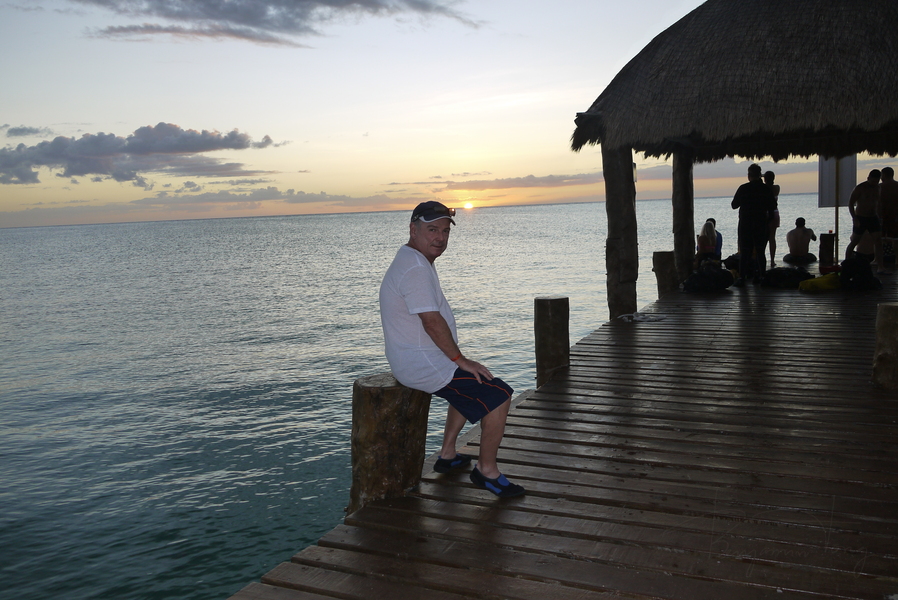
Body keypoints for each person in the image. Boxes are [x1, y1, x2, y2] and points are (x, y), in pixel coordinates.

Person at [379, 201, 525, 498]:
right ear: (413, 229)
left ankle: (447, 455)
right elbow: (431, 322)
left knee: (474, 382)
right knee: (499, 396)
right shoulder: (415, 268)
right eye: (432, 230)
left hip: (421, 356)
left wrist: (459, 361)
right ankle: (486, 471)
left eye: (445, 231)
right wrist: (459, 359)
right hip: (423, 363)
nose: (440, 238)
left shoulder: (412, 258)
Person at [731, 163, 776, 285]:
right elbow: (772, 208)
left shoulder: (743, 188)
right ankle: (761, 276)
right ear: (760, 175)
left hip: (745, 224)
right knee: (760, 251)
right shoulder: (765, 189)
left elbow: (734, 205)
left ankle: (742, 277)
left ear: (749, 175)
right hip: (761, 223)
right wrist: (767, 222)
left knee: (745, 252)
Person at [844, 169, 885, 272]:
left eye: (876, 181)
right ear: (868, 178)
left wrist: (880, 217)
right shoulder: (860, 188)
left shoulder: (878, 188)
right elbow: (851, 203)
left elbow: (878, 203)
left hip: (873, 217)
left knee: (878, 241)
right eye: (872, 181)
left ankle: (880, 266)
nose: (874, 183)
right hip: (861, 218)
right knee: (855, 241)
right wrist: (854, 218)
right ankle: (846, 264)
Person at [879, 166, 898, 266]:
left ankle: (878, 259)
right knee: (895, 239)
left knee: (879, 239)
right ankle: (897, 259)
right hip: (895, 214)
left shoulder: (880, 187)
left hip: (883, 214)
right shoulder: (897, 186)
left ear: (884, 175)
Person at [764, 171, 780, 267]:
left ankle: (762, 259)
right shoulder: (776, 188)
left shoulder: (763, 188)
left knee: (763, 238)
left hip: (765, 213)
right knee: (772, 238)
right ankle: (772, 260)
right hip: (775, 212)